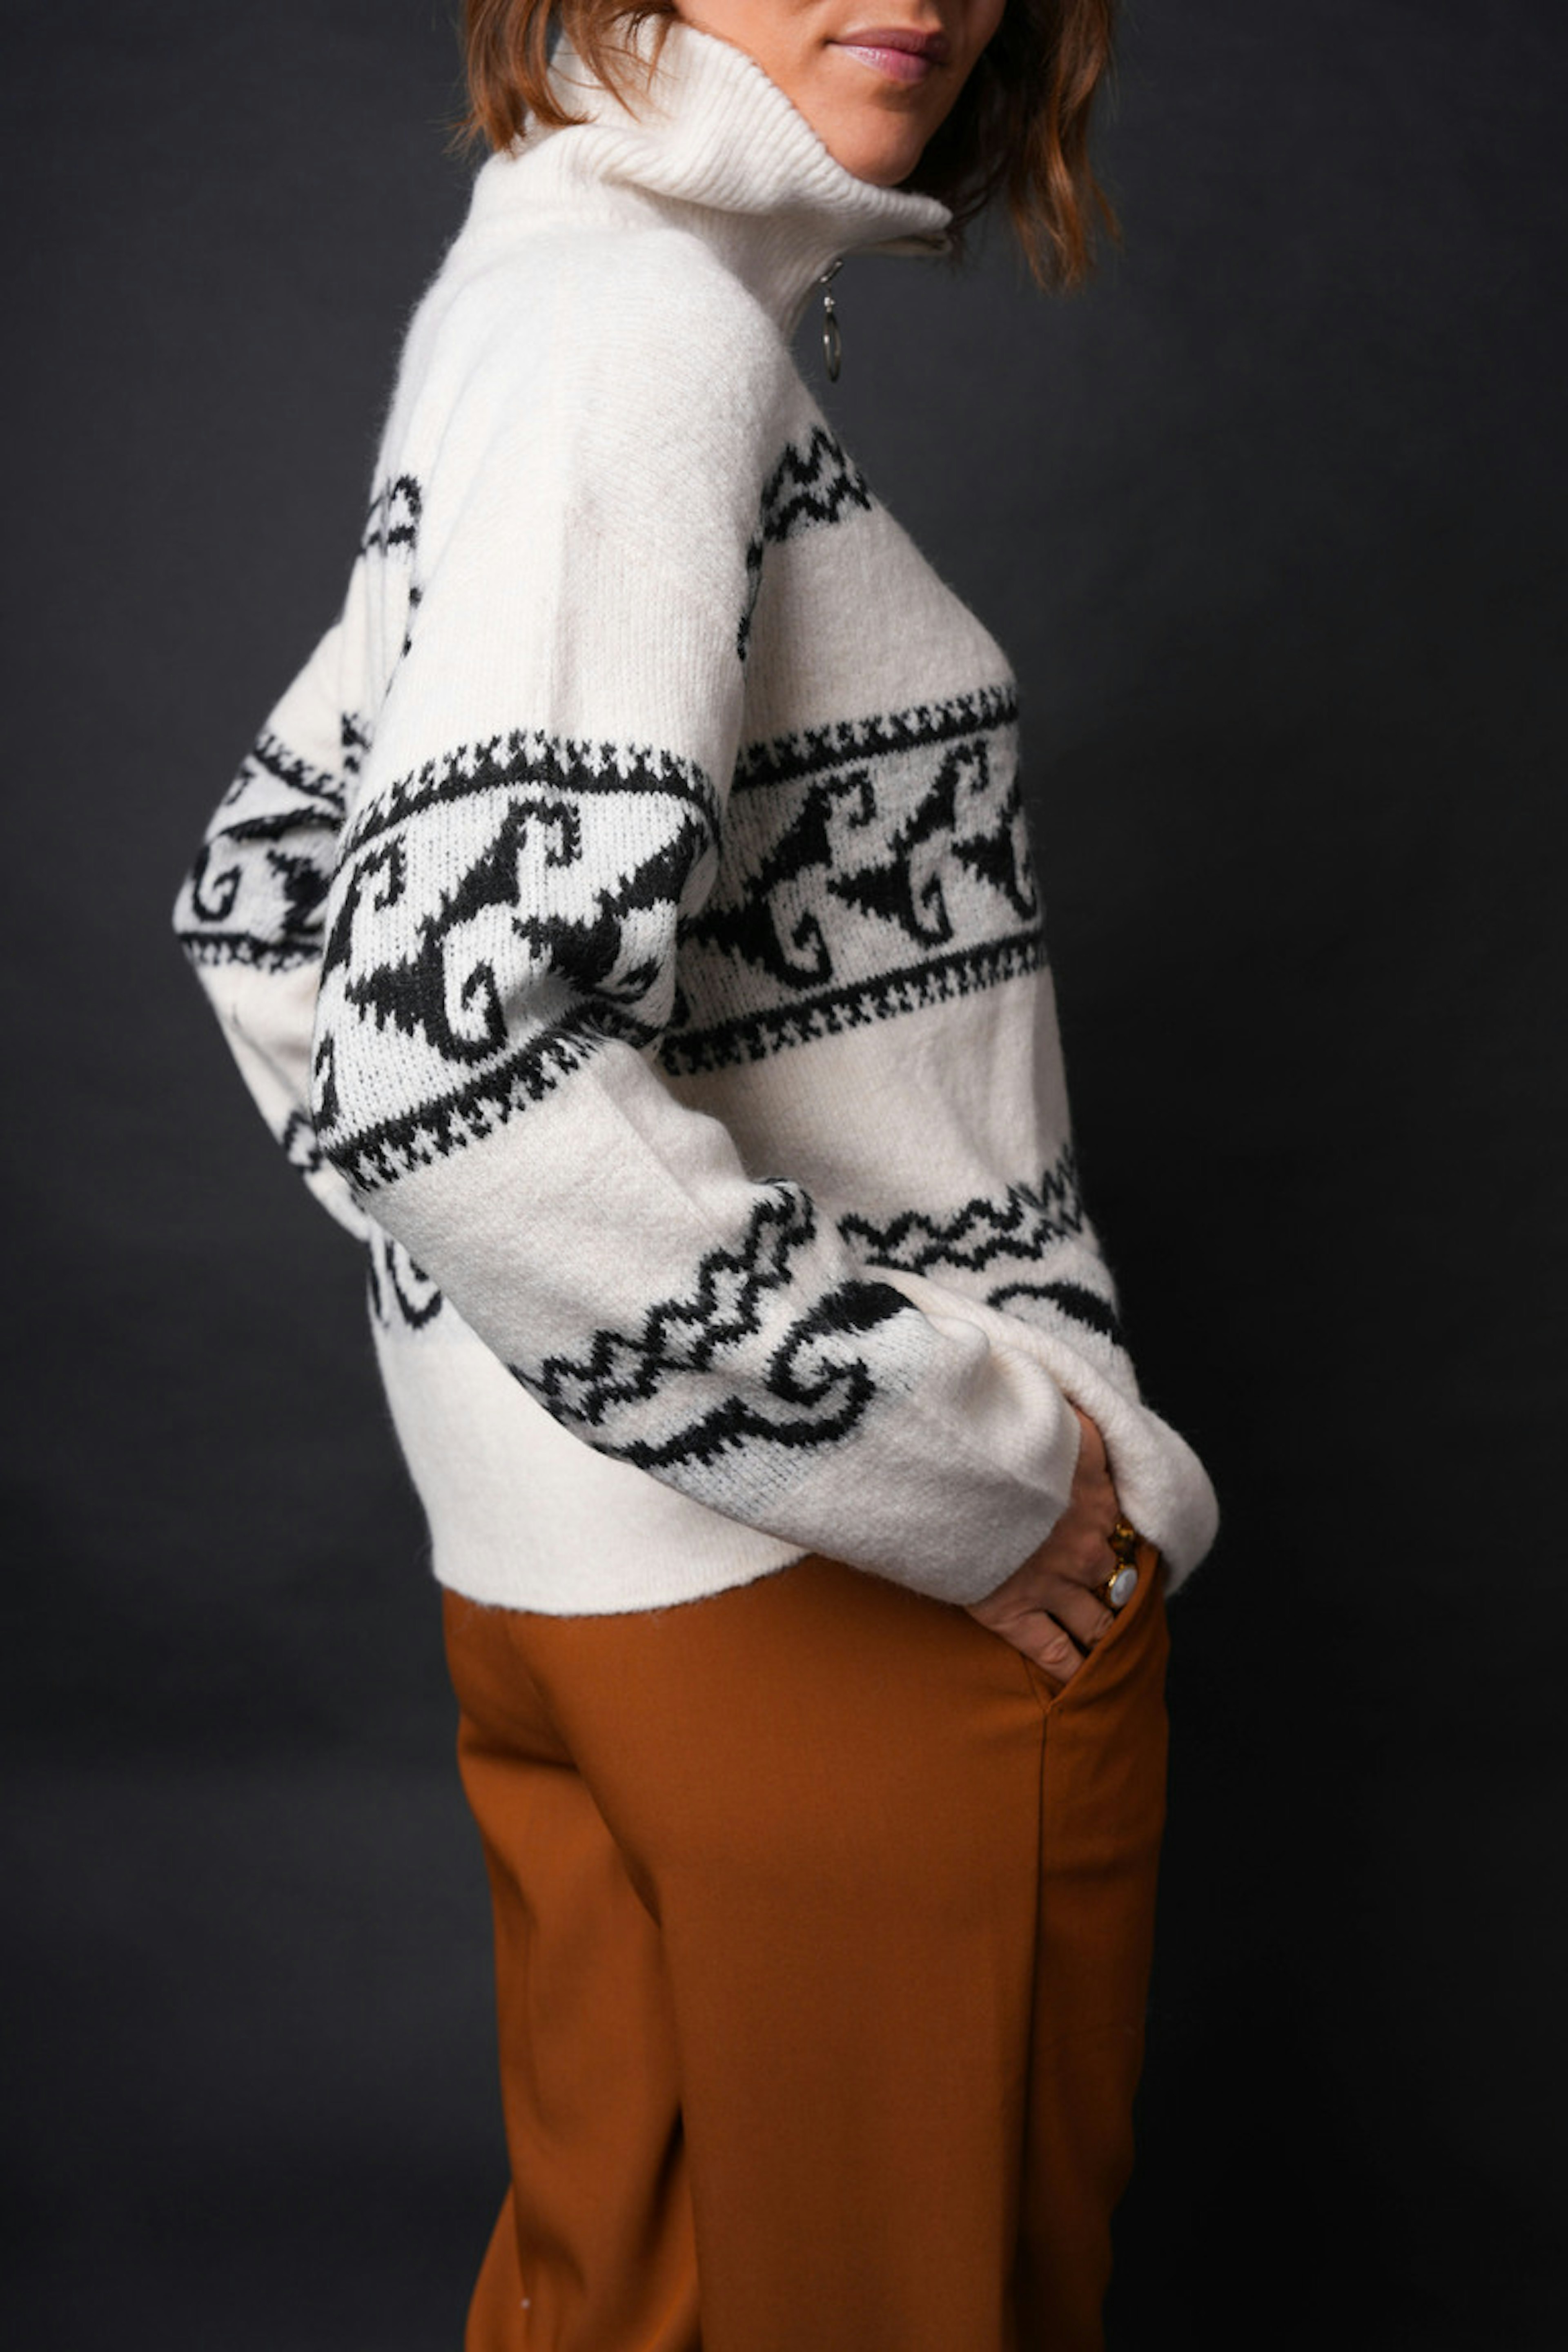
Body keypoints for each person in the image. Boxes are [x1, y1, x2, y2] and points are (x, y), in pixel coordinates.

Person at [172, 1, 1218, 2343]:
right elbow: (455, 1063)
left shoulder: (544, 298)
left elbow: (273, 909)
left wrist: (542, 1368)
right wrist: (966, 1472)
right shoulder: (638, 335)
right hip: (845, 1610)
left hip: (616, 1599)